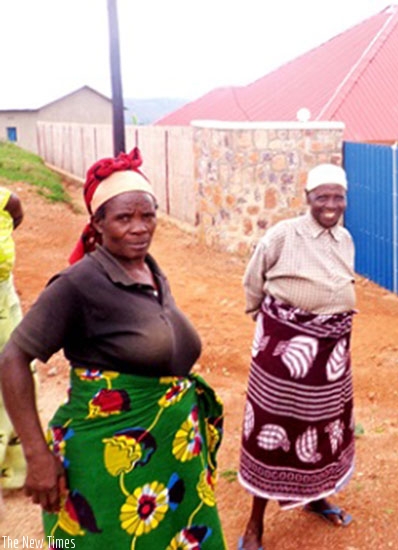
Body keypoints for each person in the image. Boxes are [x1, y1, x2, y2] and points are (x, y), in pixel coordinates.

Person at [0, 148, 226, 549]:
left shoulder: (150, 269)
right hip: (108, 458)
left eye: (147, 216)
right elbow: (12, 358)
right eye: (124, 218)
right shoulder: (78, 284)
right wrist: (37, 455)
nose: (139, 228)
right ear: (97, 223)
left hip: (171, 454)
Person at [238, 163, 356, 550]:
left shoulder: (345, 239)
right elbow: (253, 281)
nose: (330, 204)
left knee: (322, 427)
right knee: (274, 426)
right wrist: (274, 328)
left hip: (331, 354)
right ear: (307, 198)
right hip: (284, 349)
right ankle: (255, 526)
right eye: (322, 196)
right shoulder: (283, 235)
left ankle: (316, 496)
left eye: (338, 196)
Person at [0, 186, 29, 494]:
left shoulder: (6, 200)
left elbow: (15, 216)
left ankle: (13, 469)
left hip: (2, 302)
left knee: (13, 375)